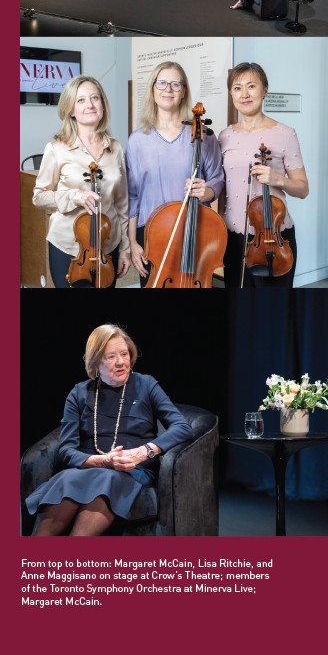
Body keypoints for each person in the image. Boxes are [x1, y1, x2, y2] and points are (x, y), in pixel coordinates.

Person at [26, 324, 194, 536]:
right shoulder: (79, 393)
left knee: (109, 478)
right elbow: (66, 449)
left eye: (124, 354)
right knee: (66, 478)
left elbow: (182, 427)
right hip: (89, 469)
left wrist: (144, 452)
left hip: (132, 472)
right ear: (96, 363)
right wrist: (103, 461)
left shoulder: (146, 385)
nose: (121, 362)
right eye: (111, 357)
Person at [125, 61, 225, 286]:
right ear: (152, 89)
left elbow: (218, 178)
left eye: (175, 84)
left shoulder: (205, 135)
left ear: (183, 92)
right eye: (161, 82)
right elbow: (132, 196)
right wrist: (132, 241)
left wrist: (207, 192)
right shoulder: (137, 141)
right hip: (151, 236)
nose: (167, 89)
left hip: (196, 231)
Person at [33, 75, 130, 288]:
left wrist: (125, 248)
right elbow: (39, 197)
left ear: (103, 105)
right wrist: (75, 197)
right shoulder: (56, 148)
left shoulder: (116, 148)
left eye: (95, 98)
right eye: (81, 100)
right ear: (70, 109)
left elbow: (122, 204)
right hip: (68, 245)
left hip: (108, 243)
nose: (90, 105)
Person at [218, 62, 309, 288]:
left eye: (251, 86)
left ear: (265, 90)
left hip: (272, 238)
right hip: (233, 237)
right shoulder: (224, 135)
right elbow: (223, 188)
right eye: (237, 88)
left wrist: (278, 179)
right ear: (231, 94)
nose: (245, 94)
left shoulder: (285, 134)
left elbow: (303, 189)